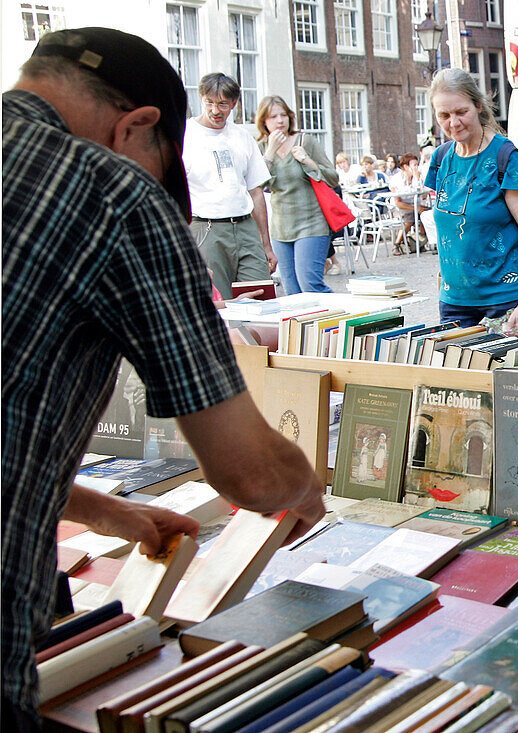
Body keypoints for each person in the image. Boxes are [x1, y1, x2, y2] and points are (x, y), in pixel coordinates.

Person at [2, 28, 325, 727]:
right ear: (138, 124)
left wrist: (107, 513)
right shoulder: (107, 189)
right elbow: (250, 474)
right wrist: (306, 486)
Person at [424, 67, 518, 335]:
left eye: (460, 112)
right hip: (454, 303)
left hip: (505, 301)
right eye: (444, 115)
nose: (453, 123)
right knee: (460, 375)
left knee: (506, 376)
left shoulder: (506, 158)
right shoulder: (441, 159)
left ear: (478, 105)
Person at [183, 73, 276, 299]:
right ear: (201, 99)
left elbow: (256, 192)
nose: (215, 110)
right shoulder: (185, 134)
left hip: (245, 227)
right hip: (205, 229)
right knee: (216, 302)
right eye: (210, 103)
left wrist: (266, 244)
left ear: (234, 104)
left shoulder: (241, 137)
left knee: (261, 296)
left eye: (223, 104)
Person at [256, 95, 338, 294]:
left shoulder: (304, 141)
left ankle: (345, 320)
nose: (280, 120)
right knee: (292, 292)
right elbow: (257, 186)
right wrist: (270, 154)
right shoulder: (261, 148)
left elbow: (333, 178)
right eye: (273, 116)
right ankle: (305, 326)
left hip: (311, 224)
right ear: (263, 122)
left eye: (283, 115)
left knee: (310, 284)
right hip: (281, 229)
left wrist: (308, 161)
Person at [389, 153, 428, 254]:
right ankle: (397, 244)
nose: (416, 167)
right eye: (414, 165)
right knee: (410, 219)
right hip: (401, 208)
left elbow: (424, 196)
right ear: (406, 166)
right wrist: (415, 208)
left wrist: (419, 180)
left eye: (417, 164)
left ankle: (419, 242)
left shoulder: (418, 177)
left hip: (416, 204)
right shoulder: (396, 179)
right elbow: (398, 202)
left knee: (426, 214)